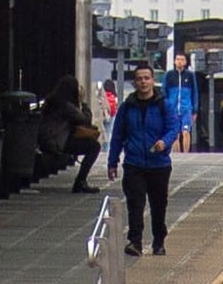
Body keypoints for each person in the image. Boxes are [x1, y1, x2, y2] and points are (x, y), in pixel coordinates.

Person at [107, 63, 176, 255]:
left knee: (158, 205)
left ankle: (158, 241)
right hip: (134, 163)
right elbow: (118, 136)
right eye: (139, 79)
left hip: (159, 164)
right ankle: (135, 242)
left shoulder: (164, 104)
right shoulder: (127, 107)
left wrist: (164, 142)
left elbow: (173, 127)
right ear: (134, 82)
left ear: (153, 81)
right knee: (135, 204)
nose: (143, 82)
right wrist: (112, 162)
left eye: (147, 78)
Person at [42, 75, 101, 192]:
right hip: (58, 141)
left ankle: (80, 181)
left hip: (49, 139)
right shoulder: (66, 106)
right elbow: (85, 119)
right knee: (94, 146)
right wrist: (83, 103)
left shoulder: (52, 102)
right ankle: (80, 181)